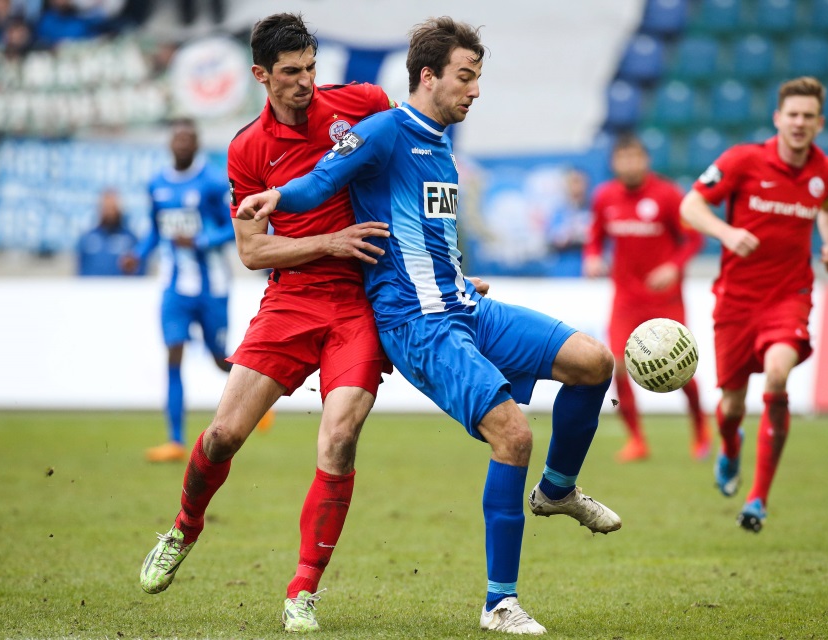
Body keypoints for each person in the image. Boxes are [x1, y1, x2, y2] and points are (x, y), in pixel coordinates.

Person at [237, 16, 621, 635]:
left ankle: (557, 490)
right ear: (428, 76)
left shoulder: (441, 143)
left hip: (465, 307)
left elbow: (428, 233)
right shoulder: (386, 129)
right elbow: (321, 181)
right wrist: (277, 200)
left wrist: (461, 278)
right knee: (513, 437)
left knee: (594, 363)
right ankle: (500, 602)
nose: (474, 91)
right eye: (465, 78)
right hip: (418, 325)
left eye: (477, 79)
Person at [137, 12, 424, 634]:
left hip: (359, 304)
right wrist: (329, 241)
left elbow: (415, 167)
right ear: (260, 76)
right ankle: (184, 528)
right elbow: (252, 251)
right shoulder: (247, 149)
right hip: (290, 303)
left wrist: (439, 265)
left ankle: (303, 590)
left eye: (311, 70)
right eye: (291, 73)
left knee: (340, 438)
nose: (306, 84)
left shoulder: (363, 104)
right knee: (221, 437)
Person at [680, 76, 828, 533]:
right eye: (792, 114)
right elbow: (690, 206)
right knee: (731, 407)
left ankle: (758, 499)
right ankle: (730, 447)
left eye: (808, 117)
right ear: (778, 118)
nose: (799, 123)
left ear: (819, 123)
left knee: (777, 375)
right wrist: (727, 233)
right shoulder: (742, 160)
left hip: (789, 297)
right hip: (735, 301)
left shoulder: (826, 172)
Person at [121, 118, 244, 462]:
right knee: (173, 354)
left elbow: (233, 227)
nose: (182, 144)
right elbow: (156, 230)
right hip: (174, 286)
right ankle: (175, 440)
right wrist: (138, 255)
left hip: (212, 286)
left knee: (220, 358)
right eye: (177, 139)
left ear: (197, 144)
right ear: (170, 143)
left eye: (188, 139)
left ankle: (256, 398)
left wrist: (201, 240)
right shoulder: (157, 183)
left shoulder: (212, 182)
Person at [583, 134, 706, 463]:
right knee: (616, 367)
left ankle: (701, 433)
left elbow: (693, 239)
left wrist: (672, 266)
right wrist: (593, 256)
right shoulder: (605, 197)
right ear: (614, 162)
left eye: (635, 157)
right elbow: (594, 237)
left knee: (681, 368)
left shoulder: (667, 195)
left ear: (645, 160)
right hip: (625, 300)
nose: (629, 164)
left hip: (665, 301)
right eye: (623, 158)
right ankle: (637, 440)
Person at [76, 189, 142, 277]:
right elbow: (80, 271)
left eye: (112, 208)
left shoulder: (130, 240)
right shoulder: (87, 239)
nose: (109, 212)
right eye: (106, 207)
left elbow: (139, 272)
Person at [545, 167, 591, 277]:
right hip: (563, 270)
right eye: (572, 182)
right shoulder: (558, 211)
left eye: (579, 182)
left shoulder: (593, 209)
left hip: (588, 270)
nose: (576, 187)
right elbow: (553, 239)